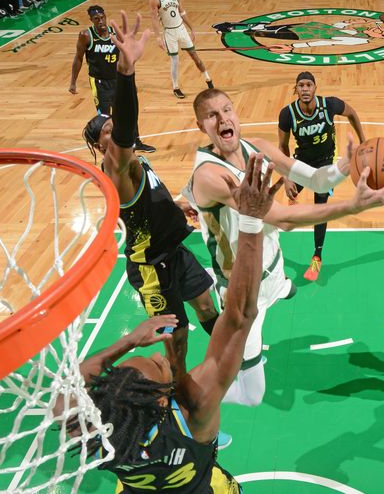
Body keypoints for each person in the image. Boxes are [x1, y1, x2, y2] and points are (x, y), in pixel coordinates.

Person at [186, 88, 384, 407]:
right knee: (253, 395)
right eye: (212, 115)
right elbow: (284, 219)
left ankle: (283, 286)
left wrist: (343, 168)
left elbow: (317, 181)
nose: (223, 118)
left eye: (227, 110)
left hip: (274, 268)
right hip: (243, 293)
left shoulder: (258, 148)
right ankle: (185, 402)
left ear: (236, 114)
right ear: (201, 126)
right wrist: (352, 207)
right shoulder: (209, 176)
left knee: (283, 281)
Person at [76, 152, 278, 493]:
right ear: (160, 401)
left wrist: (127, 343)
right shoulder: (193, 412)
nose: (159, 356)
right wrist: (251, 221)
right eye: (159, 368)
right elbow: (240, 315)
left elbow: (76, 379)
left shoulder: (103, 431)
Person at [277, 71, 367, 281]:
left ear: (315, 88)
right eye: (301, 85)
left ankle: (317, 255)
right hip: (301, 163)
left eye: (309, 85)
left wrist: (364, 141)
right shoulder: (287, 113)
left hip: (325, 163)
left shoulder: (330, 105)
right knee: (280, 201)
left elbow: (352, 113)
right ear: (296, 89)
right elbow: (282, 146)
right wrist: (286, 177)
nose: (305, 89)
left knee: (321, 209)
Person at [72, 6, 156, 153]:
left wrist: (130, 79)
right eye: (96, 19)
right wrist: (73, 82)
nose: (100, 21)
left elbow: (127, 55)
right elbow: (78, 58)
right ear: (91, 20)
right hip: (99, 83)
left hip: (118, 79)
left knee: (130, 110)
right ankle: (108, 148)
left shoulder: (114, 34)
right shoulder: (86, 35)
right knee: (105, 119)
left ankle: (136, 142)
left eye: (102, 17)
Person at [149, 0, 213, 99]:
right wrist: (157, 37)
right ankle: (176, 87)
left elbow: (182, 12)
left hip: (181, 29)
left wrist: (192, 28)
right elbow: (154, 19)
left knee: (195, 56)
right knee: (175, 60)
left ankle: (208, 80)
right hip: (169, 32)